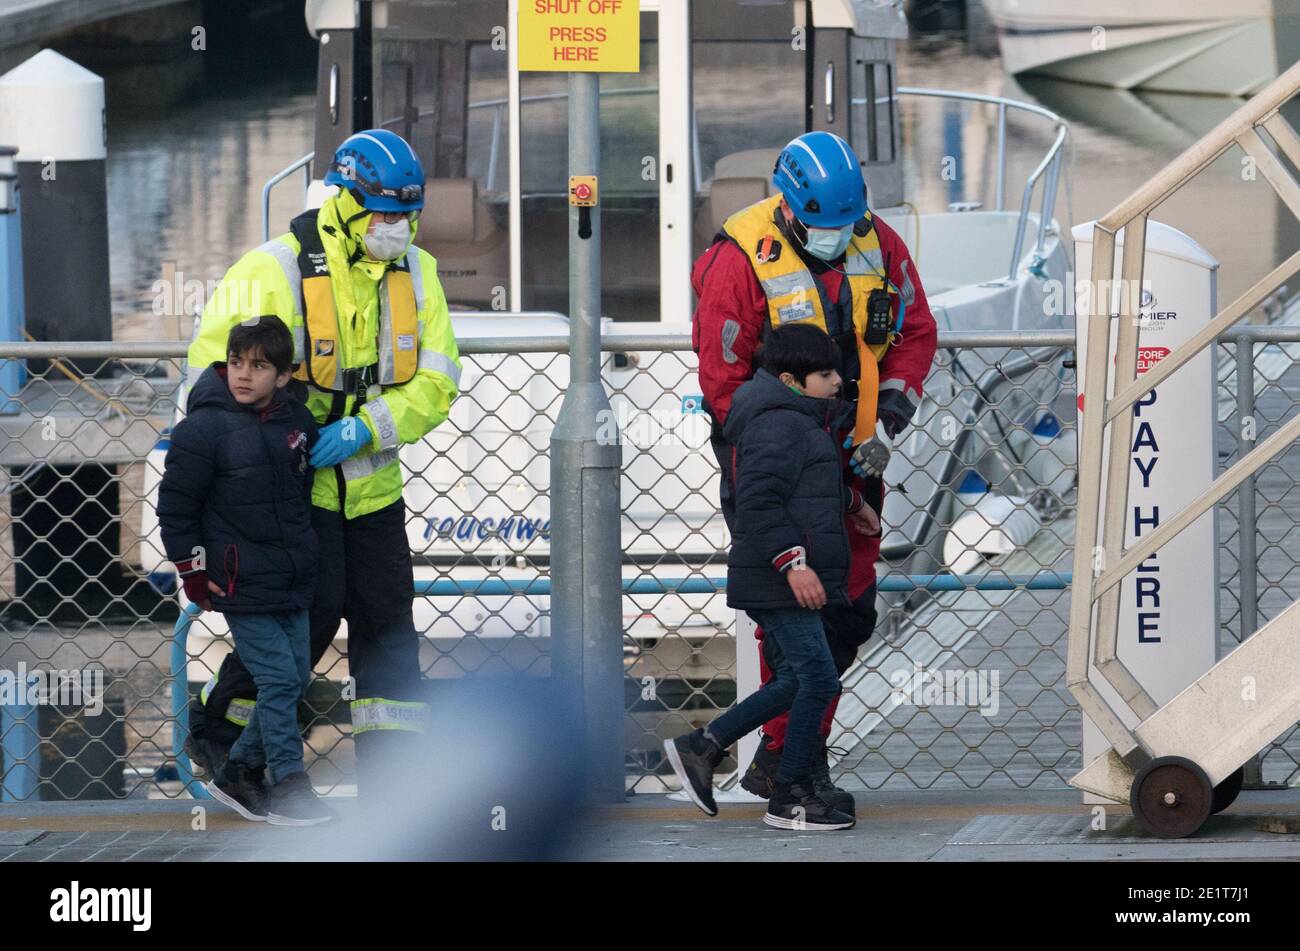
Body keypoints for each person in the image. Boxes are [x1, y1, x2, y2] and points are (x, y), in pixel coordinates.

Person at [182, 128, 463, 795]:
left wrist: (368, 427)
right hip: (293, 494)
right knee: (299, 629)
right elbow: (211, 383)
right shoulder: (274, 270)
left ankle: (396, 785)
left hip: (373, 493)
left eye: (407, 215)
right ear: (346, 202)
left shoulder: (417, 273)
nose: (398, 227)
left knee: (388, 630)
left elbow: (439, 377)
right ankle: (228, 744)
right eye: (386, 214)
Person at [691, 130, 938, 809]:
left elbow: (915, 331)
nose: (838, 235)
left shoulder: (876, 241)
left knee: (851, 614)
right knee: (797, 622)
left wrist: (887, 415)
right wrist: (791, 453)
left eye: (847, 222)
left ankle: (768, 754)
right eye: (824, 224)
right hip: (778, 469)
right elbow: (724, 384)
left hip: (856, 464)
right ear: (790, 206)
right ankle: (790, 763)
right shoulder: (738, 261)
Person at [666, 325, 876, 831]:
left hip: (782, 576)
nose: (836, 381)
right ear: (790, 378)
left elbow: (809, 485)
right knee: (818, 680)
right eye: (825, 374)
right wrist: (794, 564)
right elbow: (759, 502)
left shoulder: (799, 420)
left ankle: (703, 746)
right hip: (779, 579)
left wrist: (854, 504)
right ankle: (789, 798)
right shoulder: (776, 424)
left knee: (795, 680)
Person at [159, 317, 331, 825]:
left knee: (294, 678)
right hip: (238, 582)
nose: (243, 374)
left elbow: (299, 498)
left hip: (291, 580)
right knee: (278, 679)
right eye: (237, 362)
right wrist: (193, 573)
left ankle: (237, 771)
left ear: (283, 376)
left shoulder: (295, 424)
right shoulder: (203, 429)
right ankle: (291, 785)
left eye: (258, 366)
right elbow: (176, 507)